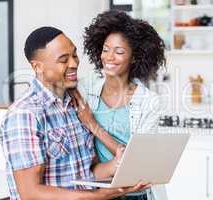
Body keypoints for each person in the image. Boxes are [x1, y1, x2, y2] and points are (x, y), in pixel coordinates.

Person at [0, 26, 149, 200]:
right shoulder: (25, 114)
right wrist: (103, 195)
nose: (74, 63)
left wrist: (120, 168)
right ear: (38, 67)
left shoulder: (77, 106)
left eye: (75, 55)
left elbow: (88, 171)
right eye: (64, 59)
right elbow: (30, 193)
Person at [71, 10, 167, 200]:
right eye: (105, 49)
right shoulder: (85, 89)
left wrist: (93, 126)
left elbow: (136, 160)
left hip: (136, 194)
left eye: (119, 51)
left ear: (134, 57)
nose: (109, 57)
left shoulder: (149, 102)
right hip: (99, 192)